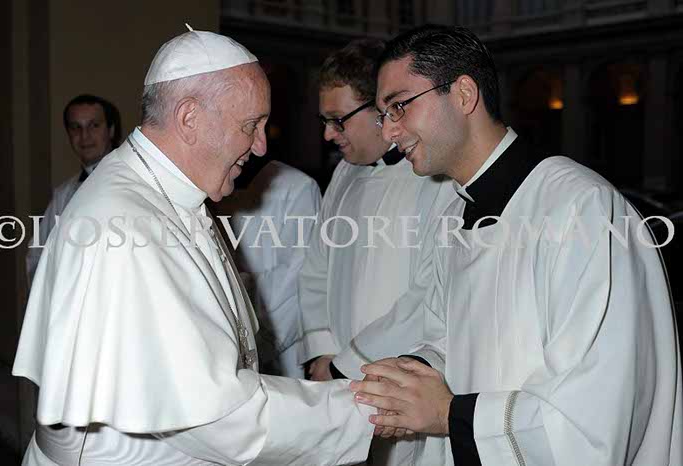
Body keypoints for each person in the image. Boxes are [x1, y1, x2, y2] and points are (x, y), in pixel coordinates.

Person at [13, 27, 374, 466]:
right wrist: (368, 410)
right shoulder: (125, 225)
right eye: (251, 125)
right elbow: (218, 418)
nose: (261, 145)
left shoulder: (164, 194)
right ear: (189, 118)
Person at [351, 25, 682, 466]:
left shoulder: (581, 208)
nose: (389, 132)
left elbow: (600, 407)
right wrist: (412, 378)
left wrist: (449, 415)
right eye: (383, 115)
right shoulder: (453, 214)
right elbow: (447, 337)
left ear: (463, 94)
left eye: (399, 106)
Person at [299, 38, 456, 465]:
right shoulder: (343, 175)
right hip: (335, 378)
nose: (328, 134)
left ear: (380, 109)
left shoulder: (435, 177)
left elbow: (428, 293)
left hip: (400, 380)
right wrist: (322, 353)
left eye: (338, 120)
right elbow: (315, 269)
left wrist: (350, 364)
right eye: (325, 121)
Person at [212, 157, 322, 378]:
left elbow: (295, 278)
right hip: (223, 347)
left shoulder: (297, 187)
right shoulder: (211, 183)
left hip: (274, 348)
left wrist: (252, 352)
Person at [26, 94, 121, 282]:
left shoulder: (137, 183)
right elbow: (37, 255)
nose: (84, 136)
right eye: (76, 127)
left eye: (94, 125)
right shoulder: (63, 195)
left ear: (111, 130)